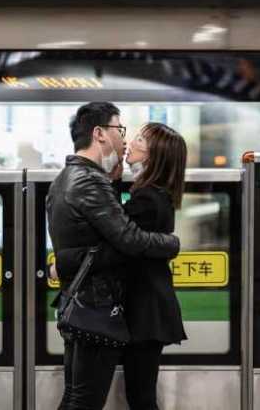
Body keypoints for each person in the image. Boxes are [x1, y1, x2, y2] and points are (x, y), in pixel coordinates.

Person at [46, 102, 180, 410]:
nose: (125, 139)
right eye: (120, 130)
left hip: (79, 301)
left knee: (77, 397)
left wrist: (61, 264)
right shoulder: (91, 181)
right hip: (96, 305)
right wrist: (172, 244)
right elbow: (128, 240)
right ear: (99, 134)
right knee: (85, 400)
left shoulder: (65, 178)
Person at [122, 123, 188, 410]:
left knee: (141, 396)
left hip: (145, 308)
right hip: (150, 304)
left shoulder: (147, 197)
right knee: (141, 393)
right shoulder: (158, 193)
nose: (129, 143)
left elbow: (123, 242)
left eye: (139, 139)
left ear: (153, 155)